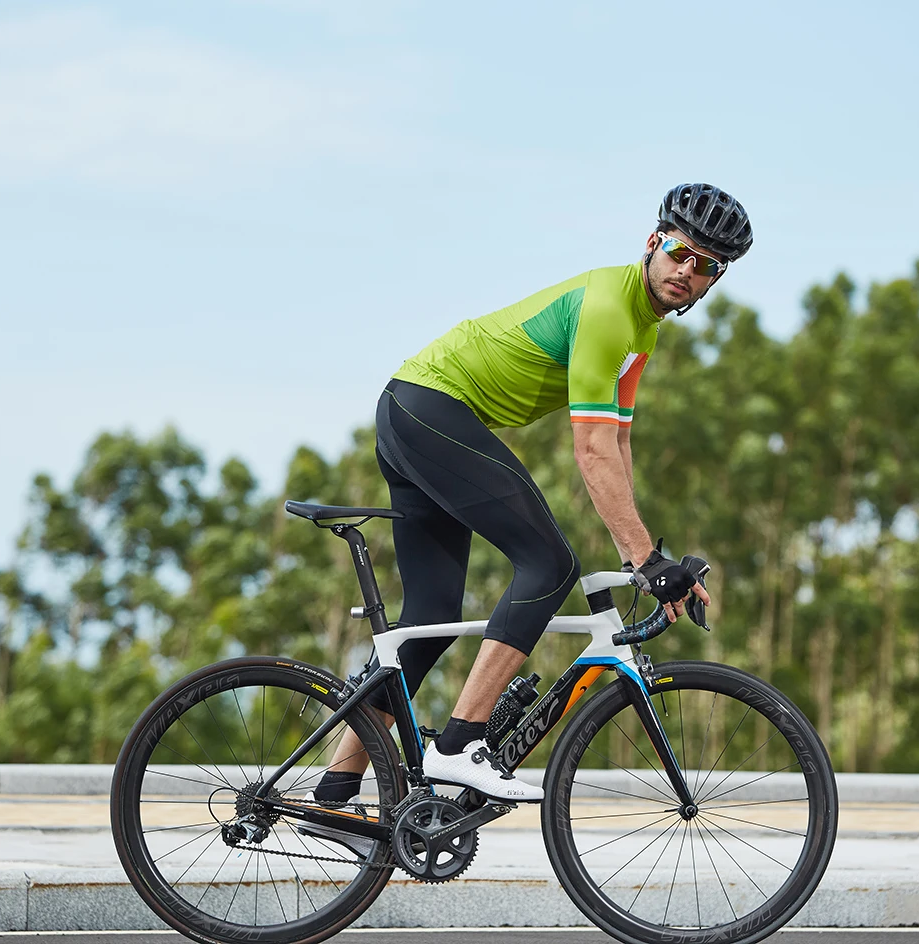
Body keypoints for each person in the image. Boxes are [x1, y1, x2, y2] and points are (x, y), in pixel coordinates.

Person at [315, 182, 753, 804]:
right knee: (549, 566)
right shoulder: (609, 307)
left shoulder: (643, 332)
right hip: (430, 407)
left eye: (705, 266)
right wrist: (644, 559)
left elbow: (618, 443)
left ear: (714, 280)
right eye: (680, 252)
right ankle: (459, 745)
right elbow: (591, 449)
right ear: (653, 243)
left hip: (413, 411)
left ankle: (335, 792)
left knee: (431, 620)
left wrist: (642, 556)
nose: (687, 271)